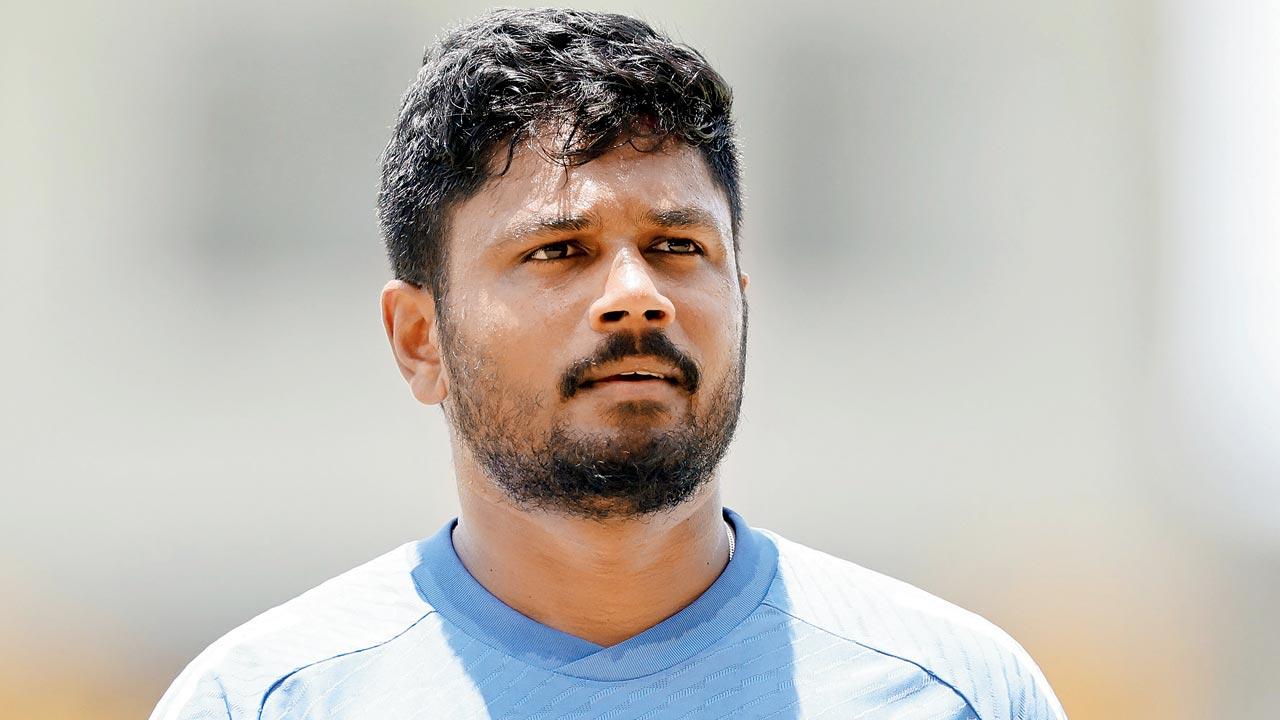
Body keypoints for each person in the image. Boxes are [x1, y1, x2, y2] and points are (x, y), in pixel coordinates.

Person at [152, 8, 1067, 719]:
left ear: (742, 298)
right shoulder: (267, 700)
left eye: (677, 247)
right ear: (420, 339)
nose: (637, 295)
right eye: (559, 251)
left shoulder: (957, 694)